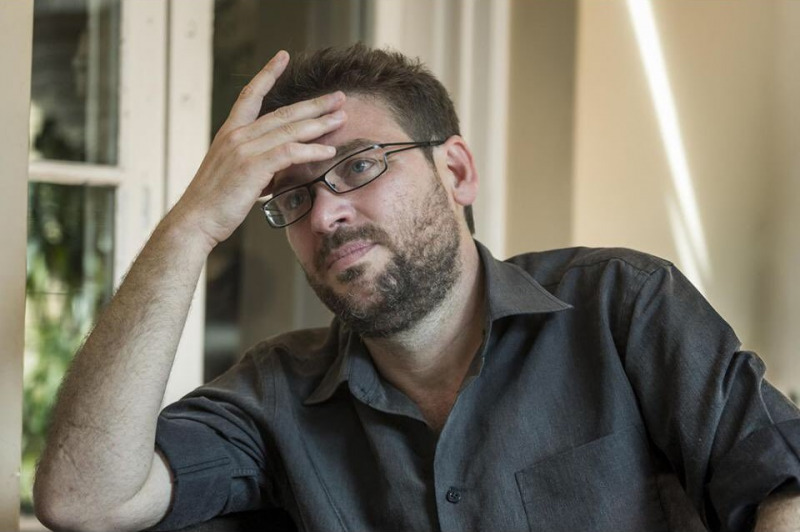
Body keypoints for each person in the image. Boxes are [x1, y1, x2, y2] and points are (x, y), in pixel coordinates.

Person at [34, 44, 800, 532]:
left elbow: (781, 486)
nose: (326, 213)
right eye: (294, 196)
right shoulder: (274, 398)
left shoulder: (621, 305)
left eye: (361, 165)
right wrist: (191, 227)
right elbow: (84, 499)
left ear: (456, 171)